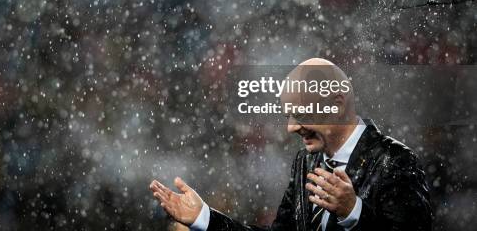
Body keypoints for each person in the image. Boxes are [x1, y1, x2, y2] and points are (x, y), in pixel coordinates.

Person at [149, 58, 433, 231]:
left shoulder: (394, 161)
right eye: (288, 115)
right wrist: (205, 218)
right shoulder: (306, 162)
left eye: (301, 114)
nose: (292, 127)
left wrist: (353, 213)